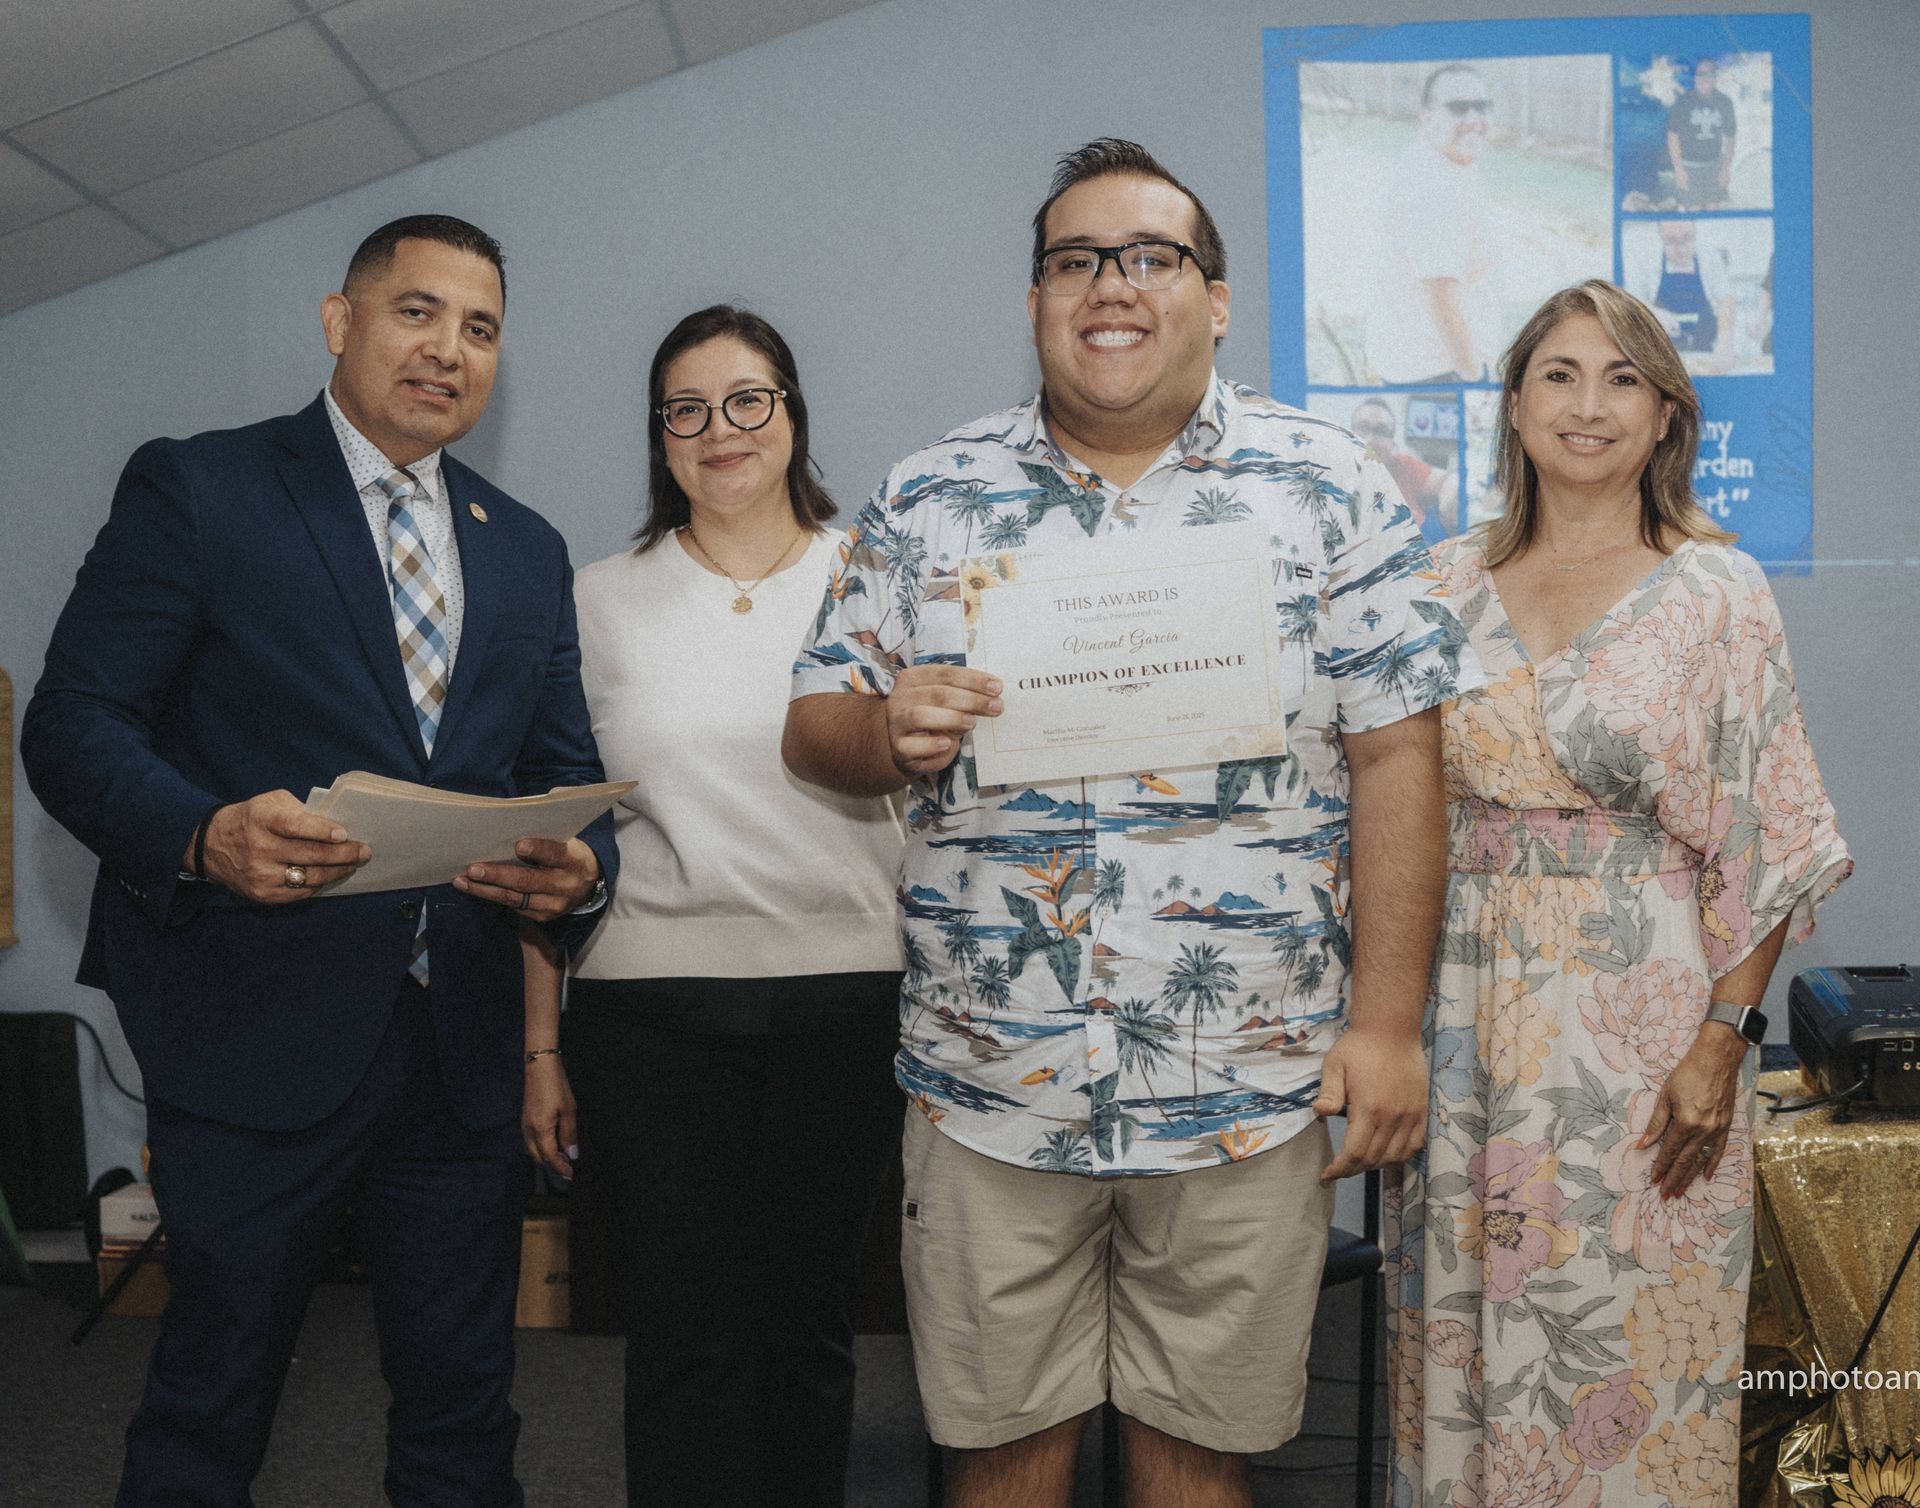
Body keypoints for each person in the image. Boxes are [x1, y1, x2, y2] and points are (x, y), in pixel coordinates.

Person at [784, 138, 1480, 1508]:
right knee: (997, 1457)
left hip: (1245, 1077)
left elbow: (1403, 756)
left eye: (1152, 255)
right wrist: (888, 726)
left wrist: (1388, 1027)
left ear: (1215, 299)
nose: (1112, 285)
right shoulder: (931, 496)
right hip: (994, 1082)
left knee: (1198, 1460)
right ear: (1037, 297)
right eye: (1075, 259)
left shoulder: (1327, 485)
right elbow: (817, 726)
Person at [22, 214, 617, 1507]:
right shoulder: (201, 487)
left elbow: (563, 784)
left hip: (453, 1057)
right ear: (340, 320)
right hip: (253, 1033)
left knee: (467, 1413)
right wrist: (197, 832)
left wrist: (581, 876)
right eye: (417, 311)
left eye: (480, 328)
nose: (448, 350)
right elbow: (69, 723)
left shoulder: (526, 550)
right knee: (209, 1406)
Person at [1383, 280, 1849, 1508]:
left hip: (1643, 1031)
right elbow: (1386, 817)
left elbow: (1765, 834)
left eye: (1622, 379)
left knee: (1630, 1346)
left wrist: (1723, 1035)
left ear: (1666, 417)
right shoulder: (1433, 584)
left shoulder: (1716, 589)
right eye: (1559, 374)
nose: (1588, 405)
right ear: (1515, 402)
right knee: (1462, 1342)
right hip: (1458, 1018)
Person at [518, 306, 906, 1507]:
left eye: (748, 399)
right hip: (648, 1009)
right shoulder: (597, 599)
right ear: (660, 438)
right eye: (685, 408)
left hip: (851, 998)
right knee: (681, 1333)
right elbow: (547, 833)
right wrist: (540, 1046)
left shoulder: (880, 581)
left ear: (792, 413)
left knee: (808, 1327)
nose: (718, 429)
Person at [1368, 63, 1503, 385]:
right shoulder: (1431, 187)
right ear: (1426, 114)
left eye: (1481, 107)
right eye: (1458, 107)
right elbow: (1441, 293)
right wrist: (1473, 375)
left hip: (1432, 370)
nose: (1473, 118)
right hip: (1438, 376)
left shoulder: (1444, 165)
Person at [1624, 219, 1735, 373]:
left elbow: (1726, 301)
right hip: (1661, 351)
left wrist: (1724, 341)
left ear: (1695, 232)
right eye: (1671, 241)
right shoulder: (1645, 260)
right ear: (1661, 236)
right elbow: (1632, 301)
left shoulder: (1710, 257)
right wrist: (1655, 313)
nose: (1681, 248)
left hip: (1704, 346)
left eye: (1687, 238)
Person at [1351, 396, 1456, 544]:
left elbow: (1448, 479)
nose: (1370, 439)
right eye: (1363, 428)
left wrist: (1450, 495)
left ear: (1392, 443)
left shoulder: (1402, 465)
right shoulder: (1332, 473)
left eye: (1381, 431)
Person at [1667, 57, 1737, 208]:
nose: (1706, 78)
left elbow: (1731, 138)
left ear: (1715, 77)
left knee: (1713, 210)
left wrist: (1725, 169)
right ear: (1695, 77)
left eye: (1710, 74)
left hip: (1714, 167)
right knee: (1694, 211)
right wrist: (1679, 170)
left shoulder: (1725, 102)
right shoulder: (1683, 102)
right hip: (1689, 168)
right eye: (1701, 74)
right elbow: (1672, 137)